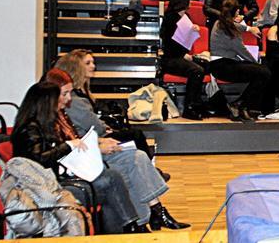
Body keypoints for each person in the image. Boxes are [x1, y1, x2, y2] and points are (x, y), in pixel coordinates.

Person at [41, 67, 185, 230]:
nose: (68, 99)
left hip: (84, 157)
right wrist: (97, 147)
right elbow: (61, 150)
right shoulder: (44, 119)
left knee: (137, 156)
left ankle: (152, 214)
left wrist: (98, 143)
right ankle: (145, 220)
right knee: (129, 167)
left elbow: (75, 140)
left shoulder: (61, 113)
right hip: (76, 167)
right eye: (65, 93)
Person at [12, 81, 143, 234]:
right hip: (45, 190)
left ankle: (127, 229)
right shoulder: (30, 128)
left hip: (57, 179)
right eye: (60, 97)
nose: (65, 100)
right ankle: (130, 228)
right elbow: (39, 160)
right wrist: (68, 146)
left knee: (111, 179)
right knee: (111, 182)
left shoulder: (46, 123)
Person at [208, 0, 272, 120]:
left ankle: (239, 104)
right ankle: (242, 105)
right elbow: (241, 50)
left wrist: (248, 28)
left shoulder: (219, 23)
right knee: (264, 72)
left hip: (220, 65)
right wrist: (255, 62)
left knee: (261, 73)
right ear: (237, 12)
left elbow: (237, 26)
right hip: (223, 66)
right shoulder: (229, 28)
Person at [159, 0, 208, 118]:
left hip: (182, 54)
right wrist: (184, 55)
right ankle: (189, 107)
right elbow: (169, 43)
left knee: (207, 65)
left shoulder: (186, 17)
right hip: (171, 58)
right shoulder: (170, 19)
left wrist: (194, 29)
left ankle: (199, 104)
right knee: (197, 71)